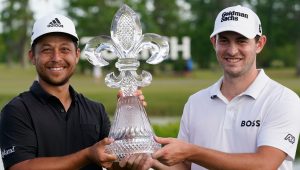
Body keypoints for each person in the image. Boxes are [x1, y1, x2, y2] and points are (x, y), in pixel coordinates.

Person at [121, 5, 300, 170]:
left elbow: (264, 164)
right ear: (214, 42)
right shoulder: (196, 102)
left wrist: (192, 151)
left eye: (241, 41)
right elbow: (185, 166)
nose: (232, 50)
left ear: (259, 44)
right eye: (224, 41)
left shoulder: (283, 100)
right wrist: (151, 160)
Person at [0, 13, 145, 170]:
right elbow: (20, 167)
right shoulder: (16, 110)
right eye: (47, 50)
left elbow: (115, 164)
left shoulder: (96, 110)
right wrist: (87, 155)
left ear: (76, 55)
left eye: (64, 49)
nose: (56, 57)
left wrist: (129, 119)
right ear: (32, 56)